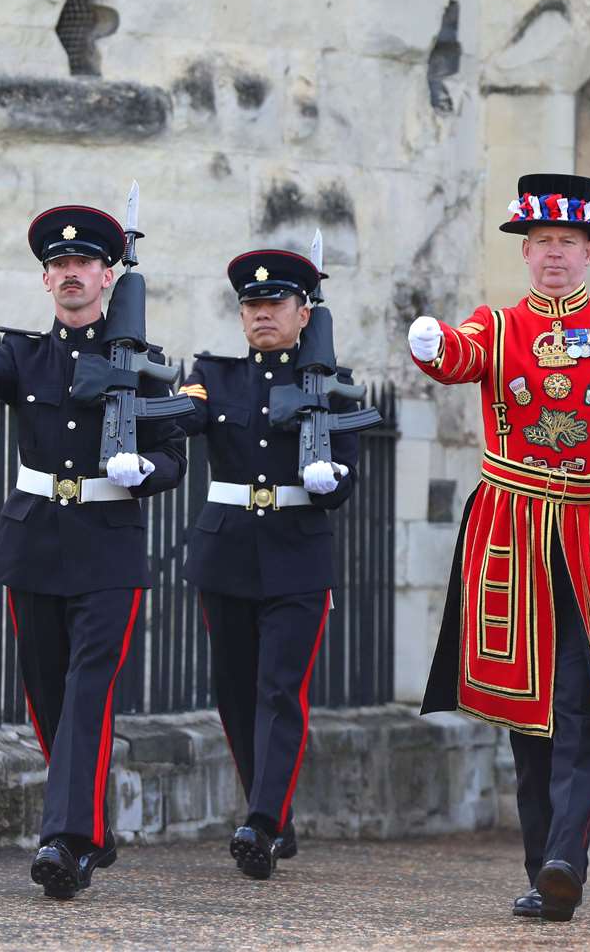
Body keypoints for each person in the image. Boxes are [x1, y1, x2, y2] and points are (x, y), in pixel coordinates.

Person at [409, 173, 590, 922]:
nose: (554, 256)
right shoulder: (499, 326)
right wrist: (433, 343)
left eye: (567, 242)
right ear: (526, 254)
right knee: (526, 715)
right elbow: (461, 356)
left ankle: (567, 853)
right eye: (542, 244)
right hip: (515, 534)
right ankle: (546, 868)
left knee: (588, 702)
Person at [0, 204, 186, 899]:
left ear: (108, 276)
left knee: (86, 694)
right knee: (47, 697)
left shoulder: (145, 365)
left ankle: (66, 840)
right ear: (47, 282)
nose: (70, 274)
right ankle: (93, 830)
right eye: (58, 266)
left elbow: (173, 456)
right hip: (37, 542)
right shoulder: (27, 354)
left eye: (83, 265)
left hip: (108, 547)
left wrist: (147, 474)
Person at [177, 249, 363, 879]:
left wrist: (327, 474)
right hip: (225, 549)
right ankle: (273, 813)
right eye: (252, 305)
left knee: (280, 689)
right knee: (234, 692)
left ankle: (260, 821)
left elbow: (346, 481)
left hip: (296, 554)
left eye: (275, 304)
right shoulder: (214, 372)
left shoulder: (331, 382)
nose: (261, 314)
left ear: (303, 313)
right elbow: (189, 415)